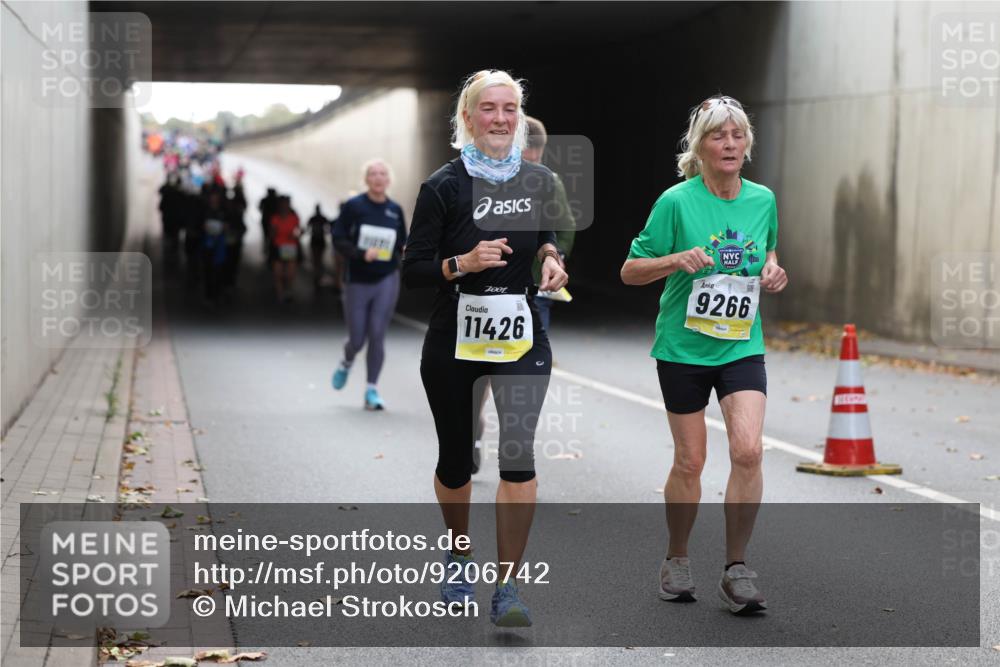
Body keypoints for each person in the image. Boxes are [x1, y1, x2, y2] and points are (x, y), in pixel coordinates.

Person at [402, 70, 568, 627]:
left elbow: (546, 235)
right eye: (489, 109)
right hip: (454, 337)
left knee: (517, 459)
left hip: (522, 334)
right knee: (456, 460)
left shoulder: (539, 180)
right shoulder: (443, 187)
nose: (500, 118)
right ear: (468, 118)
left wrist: (550, 258)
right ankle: (457, 553)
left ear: (519, 117)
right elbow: (413, 271)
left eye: (510, 108)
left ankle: (507, 587)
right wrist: (463, 264)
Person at [620, 94, 788, 615]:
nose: (731, 144)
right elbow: (630, 270)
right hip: (683, 348)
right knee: (691, 460)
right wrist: (674, 259)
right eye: (719, 135)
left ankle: (736, 568)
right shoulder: (676, 202)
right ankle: (677, 557)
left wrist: (774, 271)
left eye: (738, 135)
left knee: (748, 451)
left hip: (741, 344)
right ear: (700, 146)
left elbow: (770, 251)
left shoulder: (762, 200)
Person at [331, 161, 407, 410]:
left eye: (383, 173)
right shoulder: (355, 207)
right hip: (358, 279)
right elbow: (338, 237)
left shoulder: (395, 210)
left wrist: (407, 252)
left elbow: (401, 243)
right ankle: (347, 360)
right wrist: (360, 253)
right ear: (366, 179)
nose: (378, 178)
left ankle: (371, 390)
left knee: (377, 334)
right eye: (373, 174)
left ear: (389, 180)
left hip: (386, 277)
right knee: (357, 338)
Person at [523, 116, 575, 333]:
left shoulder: (550, 181)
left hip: (538, 281)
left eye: (537, 159)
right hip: (502, 281)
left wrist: (557, 256)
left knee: (536, 341)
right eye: (527, 160)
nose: (534, 164)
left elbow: (566, 226)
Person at [269, 195, 301, 303]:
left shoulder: (294, 218)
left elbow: (298, 231)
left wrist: (297, 235)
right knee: (278, 272)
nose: (285, 206)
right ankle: (280, 293)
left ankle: (288, 290)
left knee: (290, 272)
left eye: (286, 204)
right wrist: (275, 231)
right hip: (278, 246)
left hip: (290, 247)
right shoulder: (275, 218)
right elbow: (271, 234)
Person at [307, 204, 329, 288]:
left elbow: (308, 229)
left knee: (316, 258)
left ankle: (317, 274)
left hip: (316, 240)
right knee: (319, 259)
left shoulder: (313, 218)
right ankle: (318, 274)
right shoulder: (323, 218)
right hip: (319, 240)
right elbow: (327, 230)